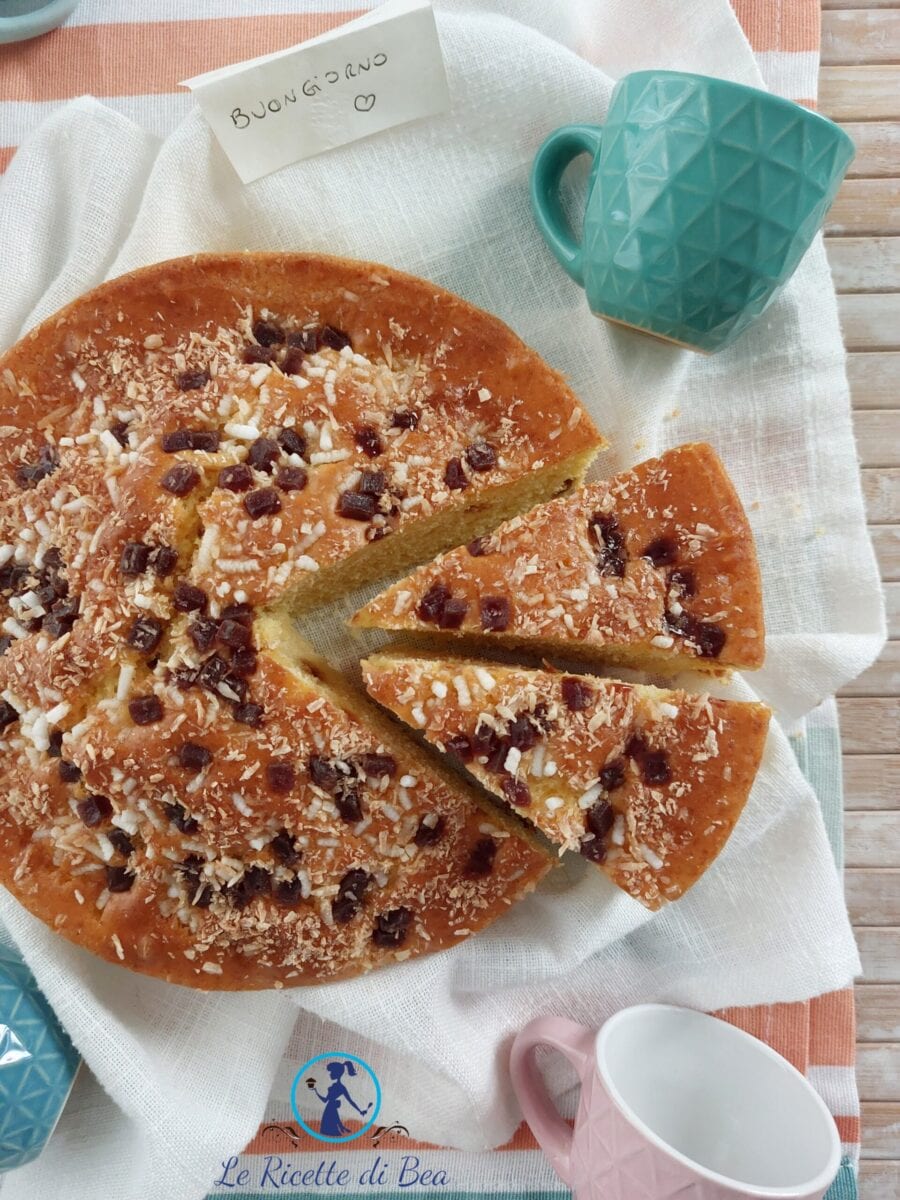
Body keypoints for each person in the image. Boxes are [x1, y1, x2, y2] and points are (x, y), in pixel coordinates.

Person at [310, 1060, 372, 1136]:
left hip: (330, 1108)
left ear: (337, 1073)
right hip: (329, 1109)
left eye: (331, 1072)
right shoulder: (334, 1086)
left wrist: (359, 1111)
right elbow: (325, 1100)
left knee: (329, 1131)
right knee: (328, 1131)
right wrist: (316, 1091)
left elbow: (350, 1101)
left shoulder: (341, 1088)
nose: (330, 1074)